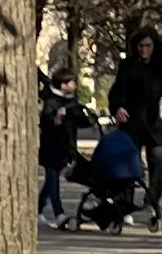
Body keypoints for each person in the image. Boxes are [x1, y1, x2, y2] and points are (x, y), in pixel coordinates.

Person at [108, 27, 162, 223]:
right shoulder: (128, 65)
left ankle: (152, 202)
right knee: (129, 165)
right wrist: (117, 107)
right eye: (140, 46)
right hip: (132, 123)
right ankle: (126, 205)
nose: (143, 50)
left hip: (157, 124)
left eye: (147, 46)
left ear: (154, 46)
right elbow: (117, 91)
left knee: (159, 165)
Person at [76, 113, 147, 231]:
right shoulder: (125, 140)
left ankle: (105, 215)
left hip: (109, 174)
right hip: (129, 173)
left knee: (102, 188)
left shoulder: (108, 141)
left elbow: (96, 161)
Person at [39, 70, 86, 224]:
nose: (74, 85)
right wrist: (56, 117)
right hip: (51, 147)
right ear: (64, 85)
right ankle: (59, 214)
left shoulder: (72, 101)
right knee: (53, 181)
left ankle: (38, 208)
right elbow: (45, 122)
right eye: (72, 82)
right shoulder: (51, 101)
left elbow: (80, 121)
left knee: (50, 182)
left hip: (66, 147)